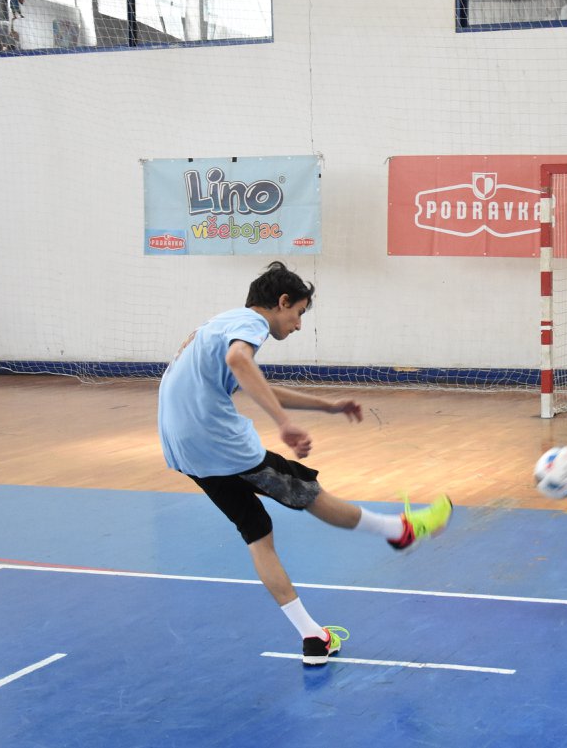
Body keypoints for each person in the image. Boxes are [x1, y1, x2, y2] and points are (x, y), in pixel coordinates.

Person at [158, 261, 453, 666]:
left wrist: (326, 406)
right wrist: (284, 424)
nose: (298, 325)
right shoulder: (250, 324)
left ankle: (313, 636)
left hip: (186, 452)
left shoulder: (219, 324)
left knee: (257, 532)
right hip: (221, 444)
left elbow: (254, 383)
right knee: (308, 493)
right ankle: (398, 531)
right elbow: (240, 361)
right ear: (282, 302)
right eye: (298, 313)